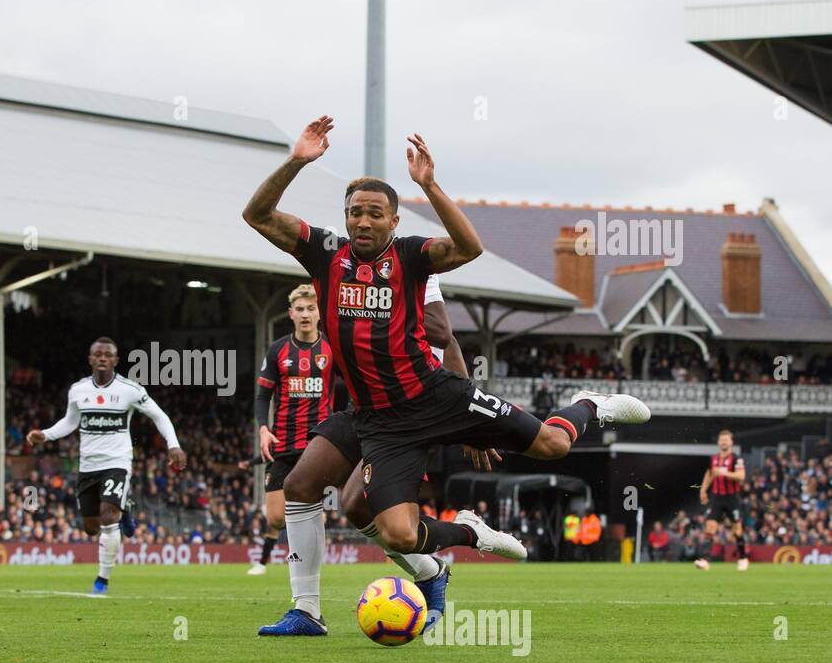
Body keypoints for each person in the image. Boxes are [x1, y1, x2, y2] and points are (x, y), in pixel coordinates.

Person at [241, 116, 650, 632]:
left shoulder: (412, 256)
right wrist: (297, 161)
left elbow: (470, 247)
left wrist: (429, 186)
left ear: (393, 222)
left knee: (552, 446)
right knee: (362, 516)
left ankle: (590, 404)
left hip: (437, 398)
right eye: (354, 213)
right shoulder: (325, 254)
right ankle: (311, 608)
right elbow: (256, 214)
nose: (362, 222)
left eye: (374, 214)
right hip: (375, 418)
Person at [26, 337, 186, 595]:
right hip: (88, 465)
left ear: (115, 360)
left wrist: (174, 445)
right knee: (91, 527)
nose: (102, 358)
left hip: (117, 462)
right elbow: (70, 422)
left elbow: (159, 415)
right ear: (90, 359)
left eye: (107, 355)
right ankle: (127, 510)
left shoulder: (130, 390)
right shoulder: (78, 390)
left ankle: (102, 580)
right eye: (97, 354)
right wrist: (45, 434)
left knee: (108, 517)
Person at [247, 284, 333, 575]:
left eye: (311, 308)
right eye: (300, 309)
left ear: (319, 313)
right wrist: (262, 428)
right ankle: (293, 559)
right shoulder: (278, 350)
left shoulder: (332, 349)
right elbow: (262, 395)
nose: (305, 314)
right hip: (282, 442)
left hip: (318, 443)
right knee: (274, 517)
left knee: (313, 511)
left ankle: (308, 571)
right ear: (291, 313)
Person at [697, 428, 748, 571]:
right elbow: (710, 473)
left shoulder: (736, 458)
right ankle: (705, 560)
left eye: (726, 440)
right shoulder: (713, 459)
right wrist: (703, 489)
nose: (724, 442)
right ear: (719, 442)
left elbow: (741, 476)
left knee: (737, 529)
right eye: (721, 440)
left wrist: (725, 473)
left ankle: (743, 557)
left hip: (732, 498)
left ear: (731, 442)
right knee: (710, 527)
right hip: (716, 498)